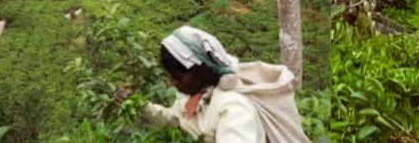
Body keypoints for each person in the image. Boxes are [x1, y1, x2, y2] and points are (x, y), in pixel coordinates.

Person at [128, 26, 310, 142]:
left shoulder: (234, 107)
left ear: (203, 69)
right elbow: (176, 120)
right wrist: (142, 107)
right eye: (171, 75)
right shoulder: (194, 96)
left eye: (178, 75)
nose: (173, 81)